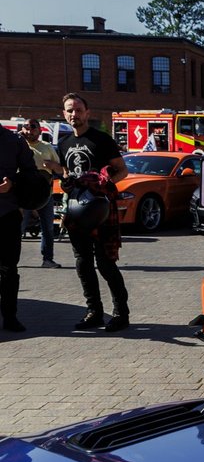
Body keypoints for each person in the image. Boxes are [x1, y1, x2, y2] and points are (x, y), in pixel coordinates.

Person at [59, 93, 130, 331]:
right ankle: (94, 312)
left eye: (78, 110)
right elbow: (67, 175)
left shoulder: (101, 139)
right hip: (76, 212)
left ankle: (121, 314)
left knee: (106, 264)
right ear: (64, 114)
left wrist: (106, 187)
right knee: (83, 264)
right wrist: (66, 184)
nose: (74, 114)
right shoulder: (63, 143)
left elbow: (122, 170)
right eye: (69, 110)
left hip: (101, 210)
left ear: (87, 113)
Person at [0, 126, 36, 332]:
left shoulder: (14, 141)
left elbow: (31, 173)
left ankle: (10, 316)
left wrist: (12, 183)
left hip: (7, 214)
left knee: (8, 269)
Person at [19, 119, 65, 268]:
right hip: (23, 196)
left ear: (40, 131)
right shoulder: (17, 146)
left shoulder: (47, 147)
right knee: (17, 227)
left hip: (45, 195)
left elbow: (60, 170)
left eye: (33, 127)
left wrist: (52, 165)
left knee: (48, 228)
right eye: (26, 127)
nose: (29, 130)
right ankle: (9, 260)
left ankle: (48, 259)